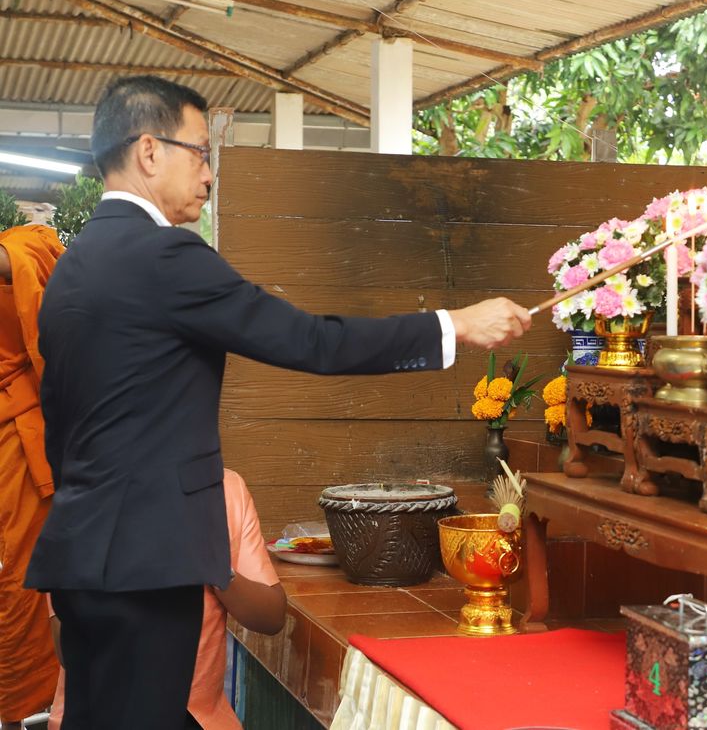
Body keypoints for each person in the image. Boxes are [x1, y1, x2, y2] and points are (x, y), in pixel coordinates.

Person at [25, 75, 531, 730]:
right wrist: (452, 325)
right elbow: (309, 341)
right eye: (201, 152)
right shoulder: (166, 257)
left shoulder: (72, 266)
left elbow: (62, 425)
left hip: (83, 560)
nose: (209, 176)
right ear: (149, 151)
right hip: (149, 567)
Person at [47, 468, 284, 730]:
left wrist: (214, 565)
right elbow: (68, 650)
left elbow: (272, 617)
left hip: (197, 717)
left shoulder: (226, 488)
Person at [0, 225, 63, 730]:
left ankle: (32, 712)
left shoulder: (22, 245)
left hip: (20, 449)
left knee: (24, 590)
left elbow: (24, 260)